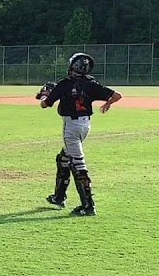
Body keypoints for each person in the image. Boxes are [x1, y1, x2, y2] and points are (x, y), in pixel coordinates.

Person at [40, 52, 123, 217]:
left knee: (77, 164)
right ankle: (58, 197)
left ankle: (88, 205)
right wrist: (107, 104)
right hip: (85, 126)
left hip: (70, 127)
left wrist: (45, 95)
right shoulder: (91, 83)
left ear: (72, 66)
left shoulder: (64, 84)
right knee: (63, 159)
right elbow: (117, 95)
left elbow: (44, 105)